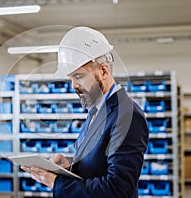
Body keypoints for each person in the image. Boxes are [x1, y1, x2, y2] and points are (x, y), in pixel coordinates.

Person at [21, 26, 149, 197]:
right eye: (71, 78)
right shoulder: (96, 110)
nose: (73, 85)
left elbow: (118, 189)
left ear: (103, 71)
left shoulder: (127, 115)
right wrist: (68, 166)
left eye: (79, 76)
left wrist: (55, 182)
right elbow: (98, 165)